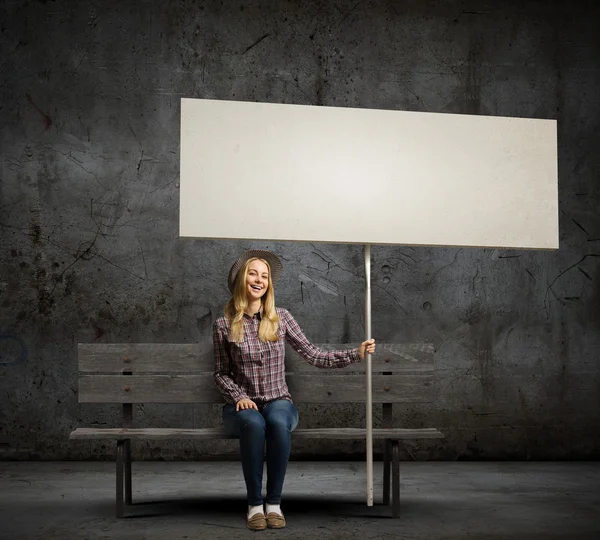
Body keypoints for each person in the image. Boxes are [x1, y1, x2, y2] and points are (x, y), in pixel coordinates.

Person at [213, 249, 376, 530]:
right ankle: (254, 505)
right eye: (253, 273)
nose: (259, 280)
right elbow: (220, 373)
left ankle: (273, 504)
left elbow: (313, 354)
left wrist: (355, 354)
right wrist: (239, 396)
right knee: (253, 423)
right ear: (242, 279)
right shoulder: (223, 325)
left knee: (276, 421)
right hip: (241, 407)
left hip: (279, 401)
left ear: (268, 285)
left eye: (264, 276)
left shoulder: (282, 318)